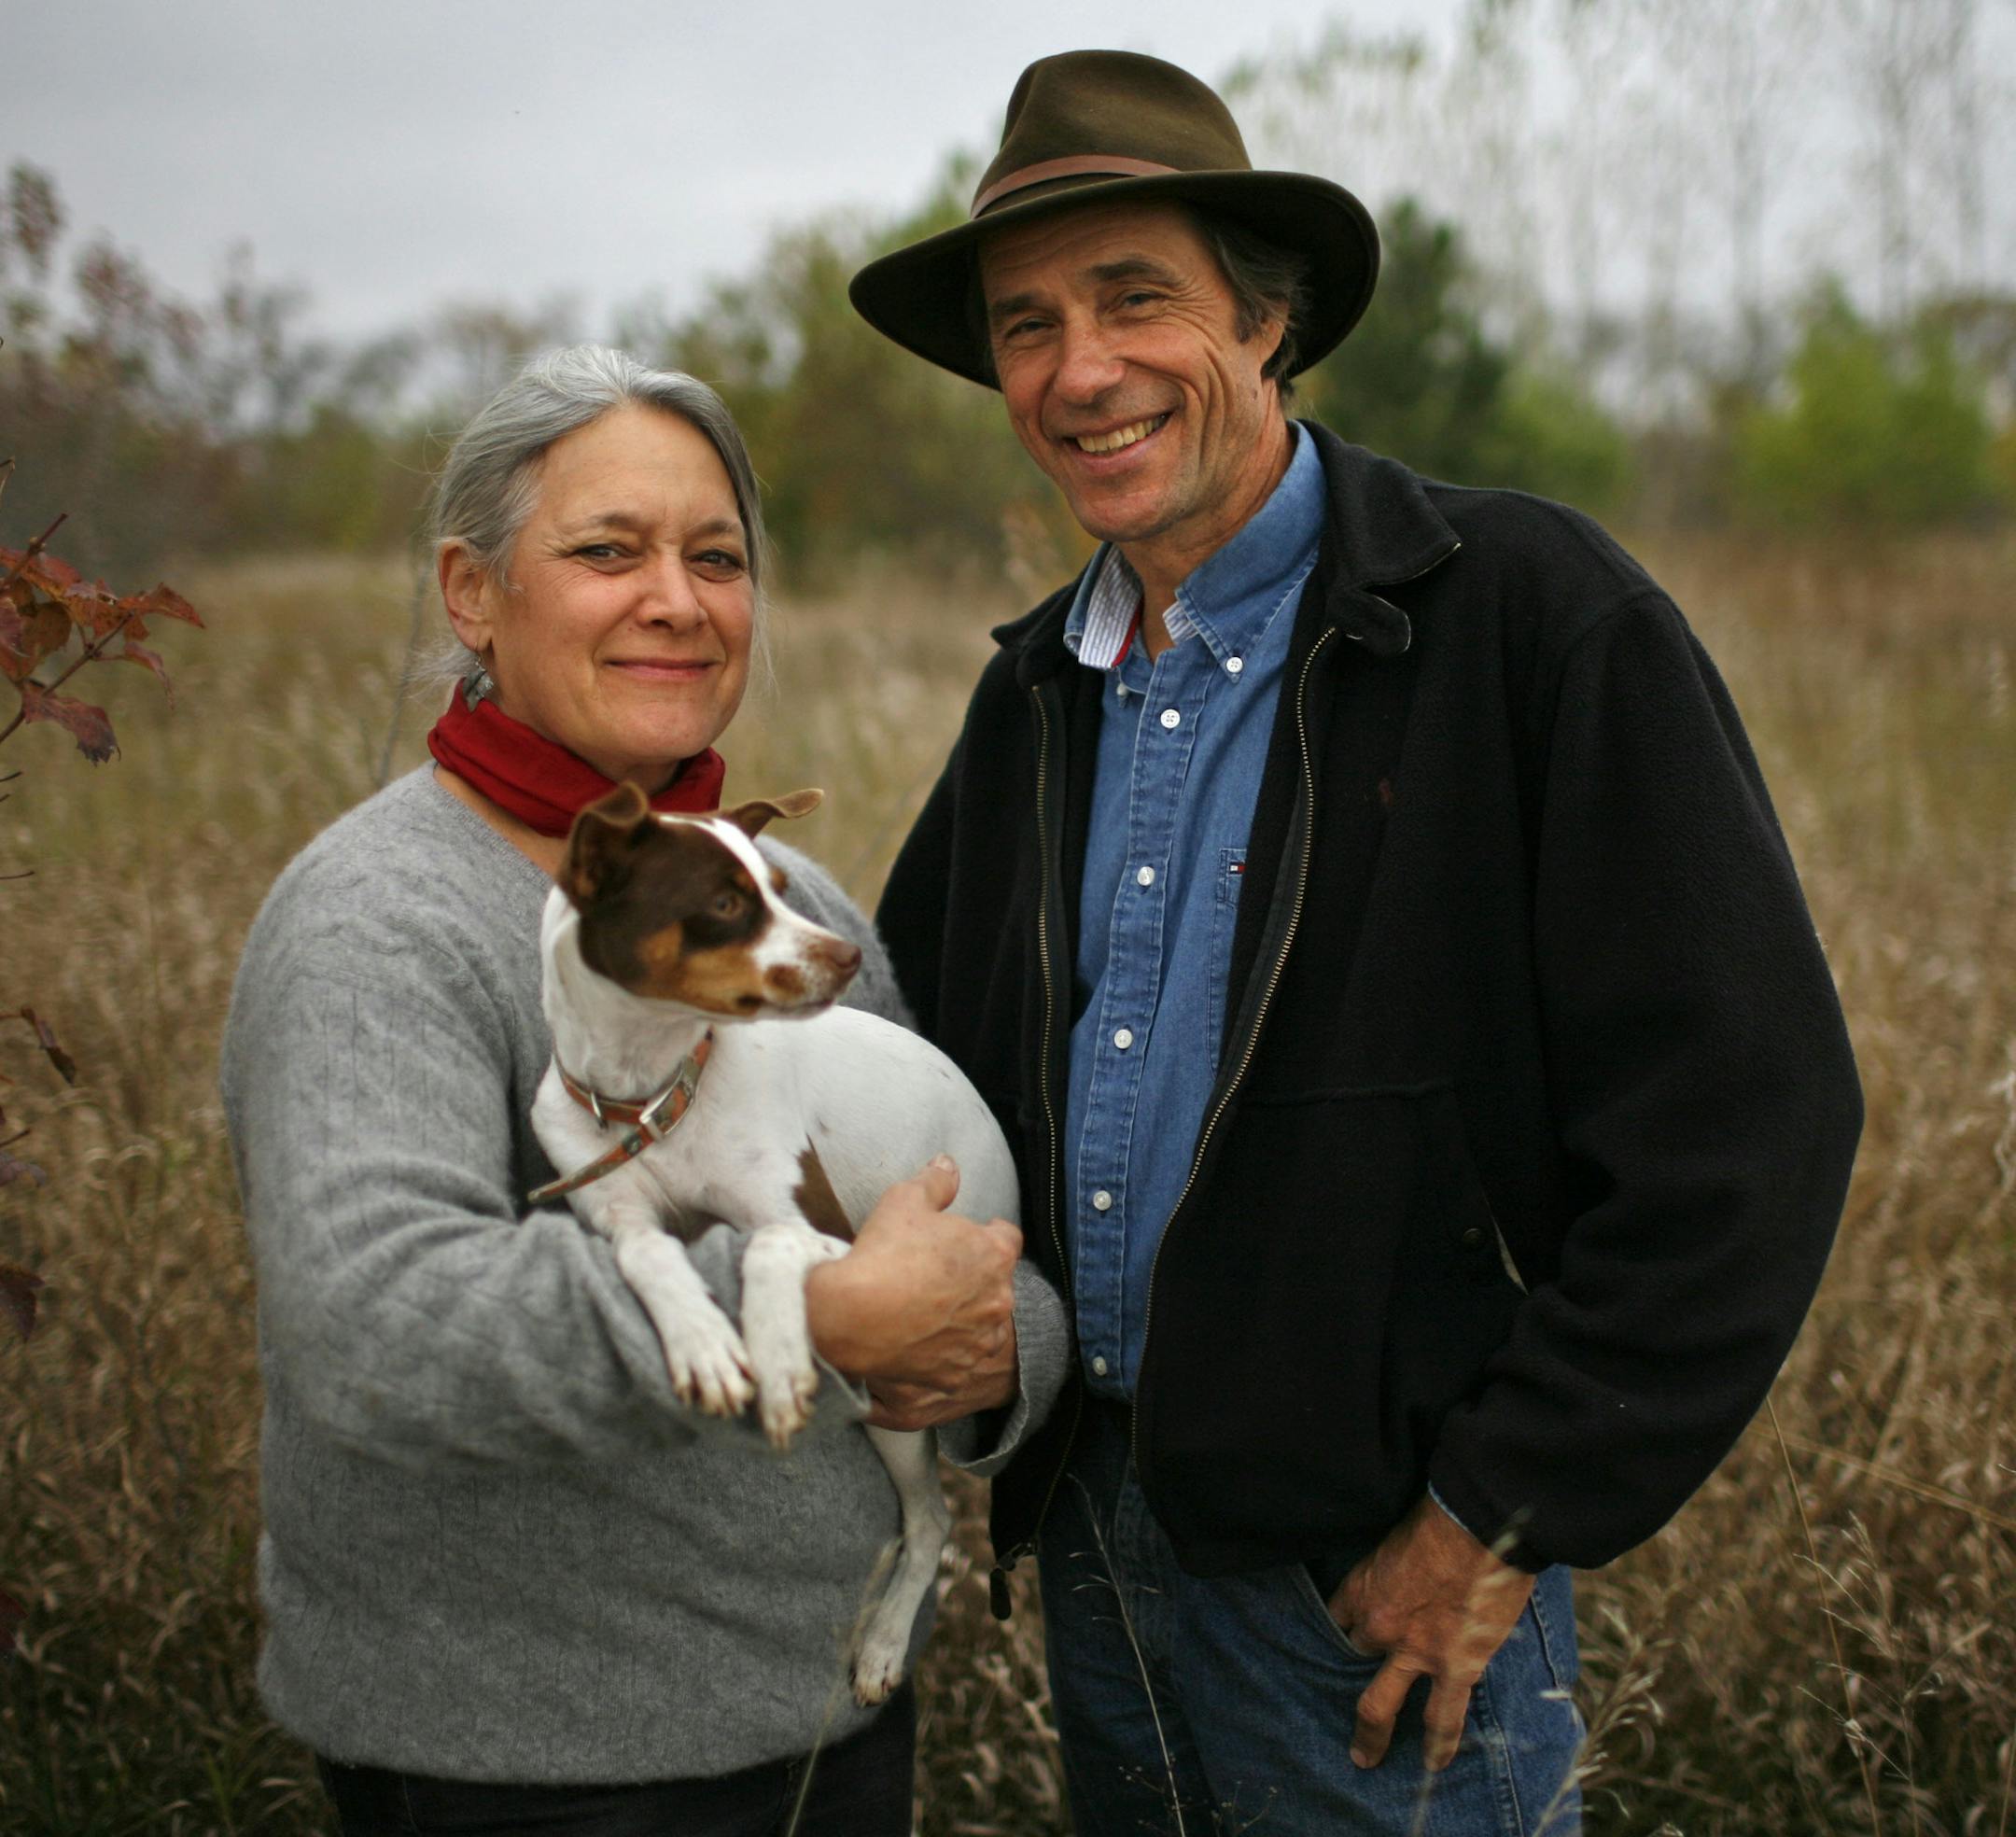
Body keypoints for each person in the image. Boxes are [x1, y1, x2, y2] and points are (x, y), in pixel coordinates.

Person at [853, 49, 1863, 1836]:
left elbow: (1752, 1122)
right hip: (1098, 1556)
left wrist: (1497, 1516)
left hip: (1381, 1595)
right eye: (1026, 325)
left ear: (1267, 317)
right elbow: (917, 1076)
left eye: (1134, 299)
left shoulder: (1528, 619)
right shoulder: (1033, 697)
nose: (1078, 371)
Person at [218, 344, 1068, 1835]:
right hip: (530, 1771)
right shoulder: (377, 921)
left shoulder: (782, 904)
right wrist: (808, 1308)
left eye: (717, 557)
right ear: (472, 595)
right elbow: (378, 1335)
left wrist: (1002, 1345)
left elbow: (924, 1208)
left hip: (828, 1730)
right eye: (607, 551)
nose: (676, 598)